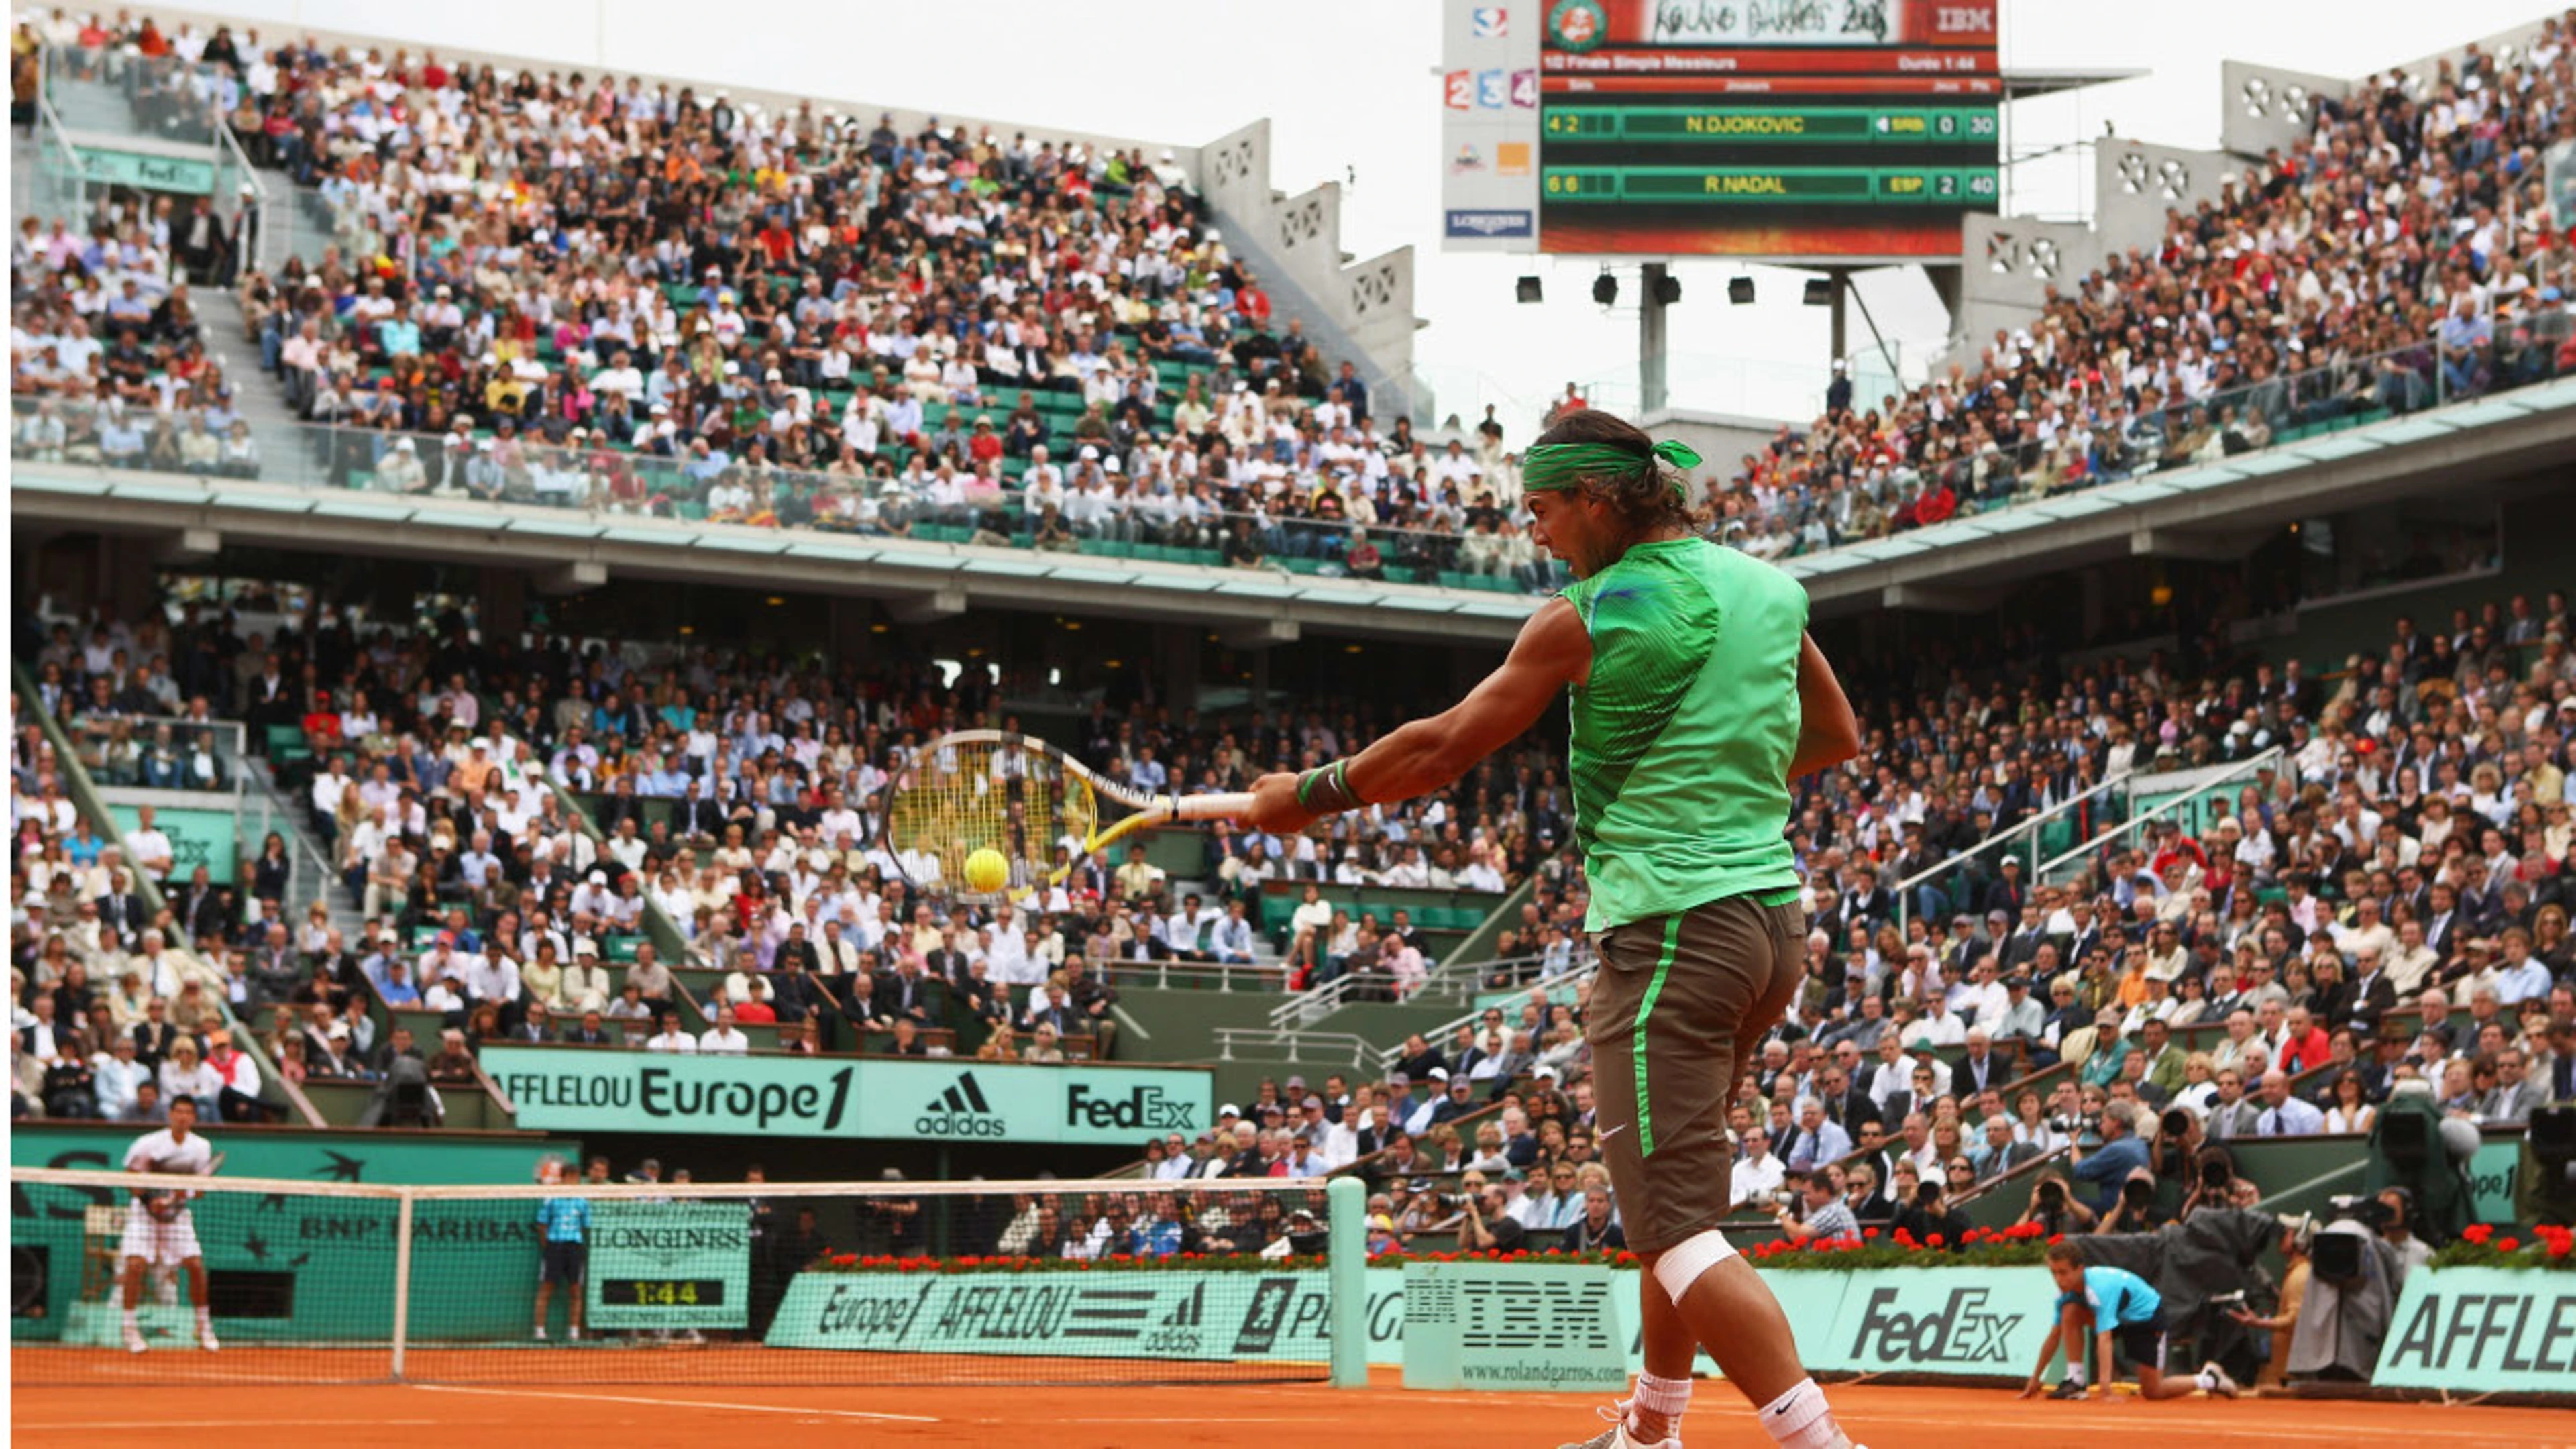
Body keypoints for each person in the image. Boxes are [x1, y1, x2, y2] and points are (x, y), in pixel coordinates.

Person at [1246, 410, 1863, 1449]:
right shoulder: (1769, 587)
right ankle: (1651, 1433)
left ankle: (1819, 1444)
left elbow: (1441, 749)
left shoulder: (1582, 613)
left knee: (1669, 1226)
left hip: (1670, 939)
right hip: (1770, 931)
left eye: (1541, 511)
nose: (1537, 533)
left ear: (1594, 499)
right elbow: (1834, 735)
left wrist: (1303, 796)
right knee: (1679, 1215)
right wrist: (1714, 788)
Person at [2023, 1242, 2237, 1402]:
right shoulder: (2064, 1294)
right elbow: (2054, 1336)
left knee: (2153, 1392)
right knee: (2070, 1311)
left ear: (2080, 1269)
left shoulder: (2100, 1288)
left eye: (2064, 1272)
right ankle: (2076, 1380)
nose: (2059, 1280)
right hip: (2119, 1318)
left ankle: (2211, 1379)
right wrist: (2035, 1378)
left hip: (2146, 1319)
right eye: (2054, 1273)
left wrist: (2106, 1389)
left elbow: (2105, 1338)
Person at [119, 1094, 221, 1353]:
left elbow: (199, 1191)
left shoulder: (201, 1147)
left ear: (194, 1117)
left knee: (196, 1266)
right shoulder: (148, 1143)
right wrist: (152, 1200)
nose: (183, 1117)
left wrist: (178, 1197)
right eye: (179, 1112)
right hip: (144, 1215)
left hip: (177, 1217)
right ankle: (129, 1329)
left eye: (188, 1112)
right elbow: (132, 1180)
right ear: (170, 1114)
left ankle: (203, 1326)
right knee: (135, 1265)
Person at [531, 1155, 588, 1342]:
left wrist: (576, 1242)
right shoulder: (552, 1199)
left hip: (575, 1248)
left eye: (576, 1177)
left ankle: (574, 1332)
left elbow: (584, 1226)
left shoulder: (583, 1201)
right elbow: (542, 1224)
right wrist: (548, 1246)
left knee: (576, 1290)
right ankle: (539, 1332)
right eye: (569, 1176)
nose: (573, 1180)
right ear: (563, 1178)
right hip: (555, 1247)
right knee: (546, 1288)